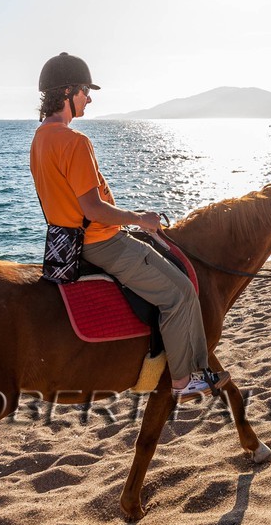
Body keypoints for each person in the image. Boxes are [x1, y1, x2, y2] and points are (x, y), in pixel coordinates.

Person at [30, 52, 225, 401]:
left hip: (66, 242)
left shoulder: (40, 139)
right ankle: (183, 381)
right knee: (180, 292)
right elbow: (93, 208)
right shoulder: (75, 141)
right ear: (68, 92)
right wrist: (140, 220)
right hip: (101, 242)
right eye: (85, 91)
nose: (89, 98)